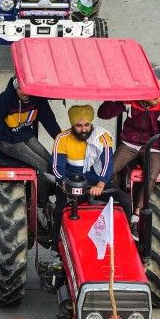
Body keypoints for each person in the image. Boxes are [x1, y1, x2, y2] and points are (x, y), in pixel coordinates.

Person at [98, 93, 160, 237]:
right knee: (109, 170)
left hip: (152, 147)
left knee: (152, 175)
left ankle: (136, 215)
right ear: (145, 94)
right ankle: (118, 204)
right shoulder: (130, 98)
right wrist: (115, 94)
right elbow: (103, 114)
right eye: (155, 95)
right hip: (129, 144)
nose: (159, 98)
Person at [51, 105, 118, 248]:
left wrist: (100, 185)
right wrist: (64, 184)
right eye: (79, 125)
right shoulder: (62, 139)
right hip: (70, 183)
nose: (84, 129)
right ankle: (56, 244)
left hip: (96, 182)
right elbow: (57, 168)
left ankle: (127, 243)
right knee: (60, 209)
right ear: (72, 125)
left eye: (87, 125)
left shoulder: (102, 138)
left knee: (124, 202)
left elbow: (107, 163)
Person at [0, 76, 60, 176]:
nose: (25, 92)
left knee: (53, 163)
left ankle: (60, 184)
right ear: (15, 87)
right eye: (21, 88)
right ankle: (50, 188)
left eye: (28, 88)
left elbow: (50, 122)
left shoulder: (37, 98)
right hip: (8, 141)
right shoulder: (4, 99)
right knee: (43, 166)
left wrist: (62, 141)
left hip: (27, 136)